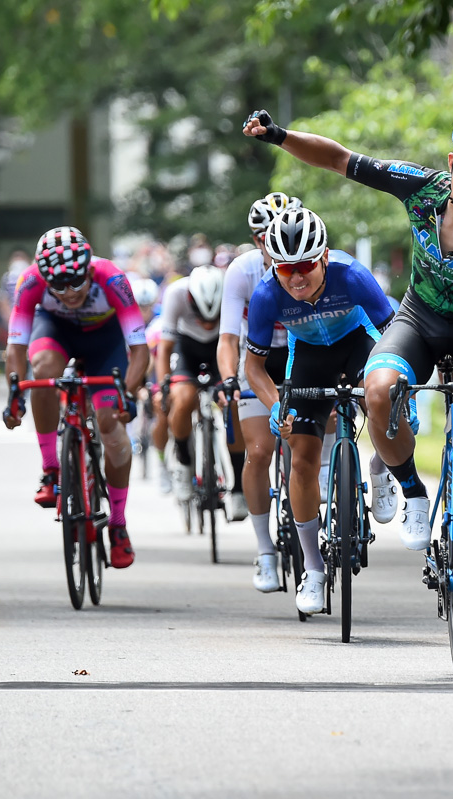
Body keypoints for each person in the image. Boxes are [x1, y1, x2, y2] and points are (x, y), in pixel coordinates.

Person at [244, 108, 453, 623]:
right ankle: (413, 493)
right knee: (377, 391)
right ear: (451, 161)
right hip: (419, 319)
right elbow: (338, 159)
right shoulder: (420, 188)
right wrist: (279, 136)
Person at [244, 207, 395, 613]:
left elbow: (394, 334)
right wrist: (275, 406)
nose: (296, 277)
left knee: (385, 405)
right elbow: (253, 367)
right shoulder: (265, 294)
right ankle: (313, 568)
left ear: (324, 258)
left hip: (359, 344)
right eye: (285, 268)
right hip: (308, 358)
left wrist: (394, 389)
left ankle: (381, 469)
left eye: (307, 265)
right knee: (302, 459)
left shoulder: (353, 275)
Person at [4, 226, 149, 570]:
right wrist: (14, 394)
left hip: (106, 341)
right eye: (58, 285)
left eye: (76, 283)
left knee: (110, 425)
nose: (68, 292)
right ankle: (51, 470)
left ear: (88, 270)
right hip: (55, 331)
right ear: (44, 277)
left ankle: (117, 523)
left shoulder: (112, 279)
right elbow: (16, 348)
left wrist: (125, 395)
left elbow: (140, 350)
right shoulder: (29, 281)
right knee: (42, 370)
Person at [216, 192, 306, 593]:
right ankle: (265, 549)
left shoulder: (310, 262)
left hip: (305, 353)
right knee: (258, 451)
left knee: (314, 438)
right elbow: (228, 338)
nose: (271, 243)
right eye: (261, 237)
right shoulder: (243, 272)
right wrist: (227, 380)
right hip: (260, 358)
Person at [157, 265, 244, 515]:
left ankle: (238, 487)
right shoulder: (175, 293)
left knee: (233, 402)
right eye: (200, 316)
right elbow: (165, 348)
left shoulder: (233, 292)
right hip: (187, 349)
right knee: (182, 398)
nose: (206, 324)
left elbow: (240, 342)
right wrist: (165, 385)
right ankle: (184, 463)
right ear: (190, 301)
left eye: (212, 318)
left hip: (222, 347)